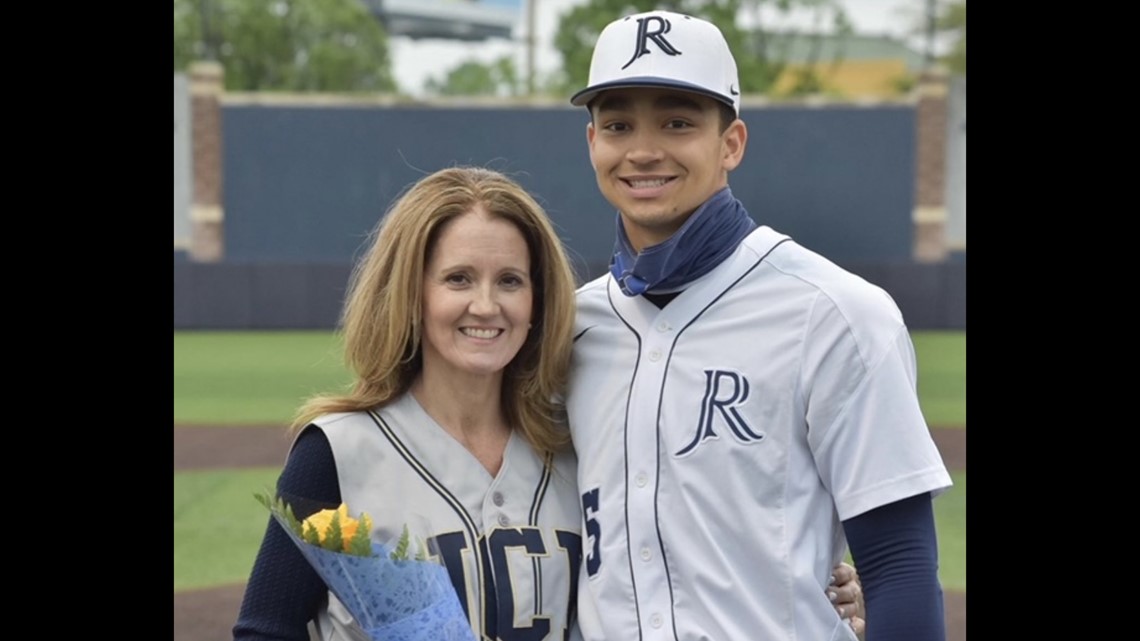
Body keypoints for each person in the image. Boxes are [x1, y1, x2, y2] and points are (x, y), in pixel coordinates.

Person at [231, 166, 867, 640]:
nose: (487, 305)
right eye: (458, 279)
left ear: (538, 300)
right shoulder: (338, 454)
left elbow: (679, 558)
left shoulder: (576, 449)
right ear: (411, 293)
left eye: (510, 280)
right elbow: (265, 630)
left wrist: (818, 584)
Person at [564, 10, 951, 641]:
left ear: (731, 143)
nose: (642, 149)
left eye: (678, 122)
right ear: (593, 146)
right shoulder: (572, 326)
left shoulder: (835, 312)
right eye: (618, 124)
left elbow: (899, 568)